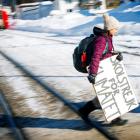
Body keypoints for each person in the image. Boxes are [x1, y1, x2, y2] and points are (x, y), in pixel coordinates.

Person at [79, 14, 127, 125]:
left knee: (104, 96)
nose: (116, 31)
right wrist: (93, 74)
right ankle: (115, 119)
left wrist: (116, 55)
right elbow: (96, 57)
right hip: (99, 72)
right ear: (110, 28)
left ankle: (84, 111)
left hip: (105, 69)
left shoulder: (108, 38)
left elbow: (107, 53)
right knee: (108, 95)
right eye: (115, 29)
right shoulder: (102, 40)